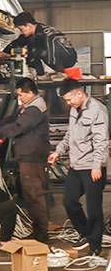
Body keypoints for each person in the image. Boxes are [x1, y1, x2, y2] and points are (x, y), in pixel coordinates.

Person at [48, 78, 108, 256]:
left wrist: (97, 166)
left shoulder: (97, 110)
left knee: (93, 207)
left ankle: (95, 246)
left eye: (69, 99)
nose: (68, 103)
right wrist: (58, 151)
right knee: (69, 201)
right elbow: (70, 134)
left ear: (79, 93)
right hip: (76, 165)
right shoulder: (75, 109)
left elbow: (101, 140)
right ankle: (86, 234)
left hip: (92, 167)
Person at [0, 78, 50, 243]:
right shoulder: (28, 106)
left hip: (32, 158)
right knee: (29, 193)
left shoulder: (35, 109)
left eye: (21, 95)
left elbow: (19, 126)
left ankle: (41, 234)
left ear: (30, 93)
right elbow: (13, 120)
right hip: (27, 157)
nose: (19, 98)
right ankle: (38, 231)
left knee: (34, 194)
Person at [1, 12, 76, 76]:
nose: (21, 32)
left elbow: (35, 54)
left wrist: (58, 71)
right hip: (68, 57)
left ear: (29, 25)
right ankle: (44, 74)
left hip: (65, 60)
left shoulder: (42, 35)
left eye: (21, 29)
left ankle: (43, 75)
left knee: (33, 52)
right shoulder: (39, 29)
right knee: (32, 50)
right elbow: (19, 41)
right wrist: (5, 52)